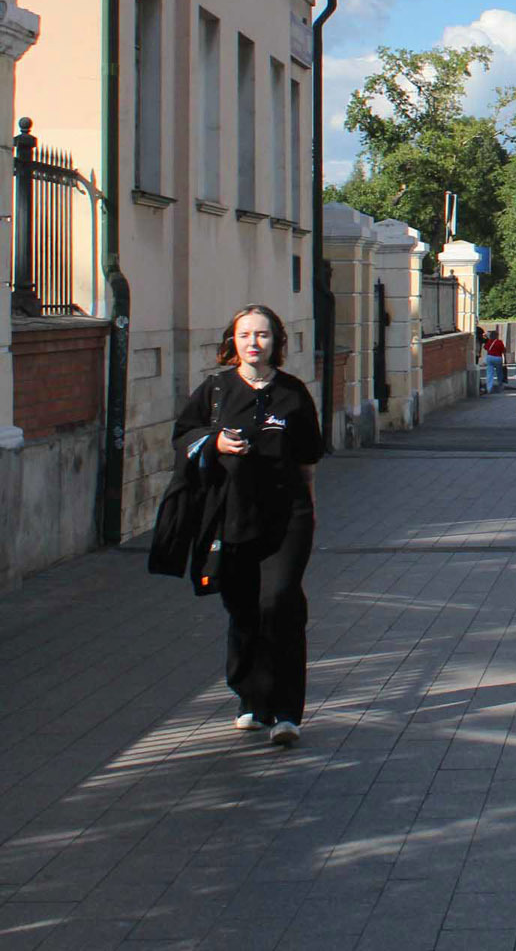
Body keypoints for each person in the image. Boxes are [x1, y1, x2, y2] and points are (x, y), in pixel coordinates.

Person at [172, 305, 324, 747]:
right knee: (243, 609)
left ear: (276, 341)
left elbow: (308, 459)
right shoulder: (216, 389)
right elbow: (183, 435)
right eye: (245, 336)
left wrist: (310, 509)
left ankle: (287, 712)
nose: (253, 343)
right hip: (231, 517)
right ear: (232, 342)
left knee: (280, 604)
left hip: (287, 519)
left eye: (262, 335)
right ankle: (251, 698)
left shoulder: (294, 393)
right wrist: (215, 441)